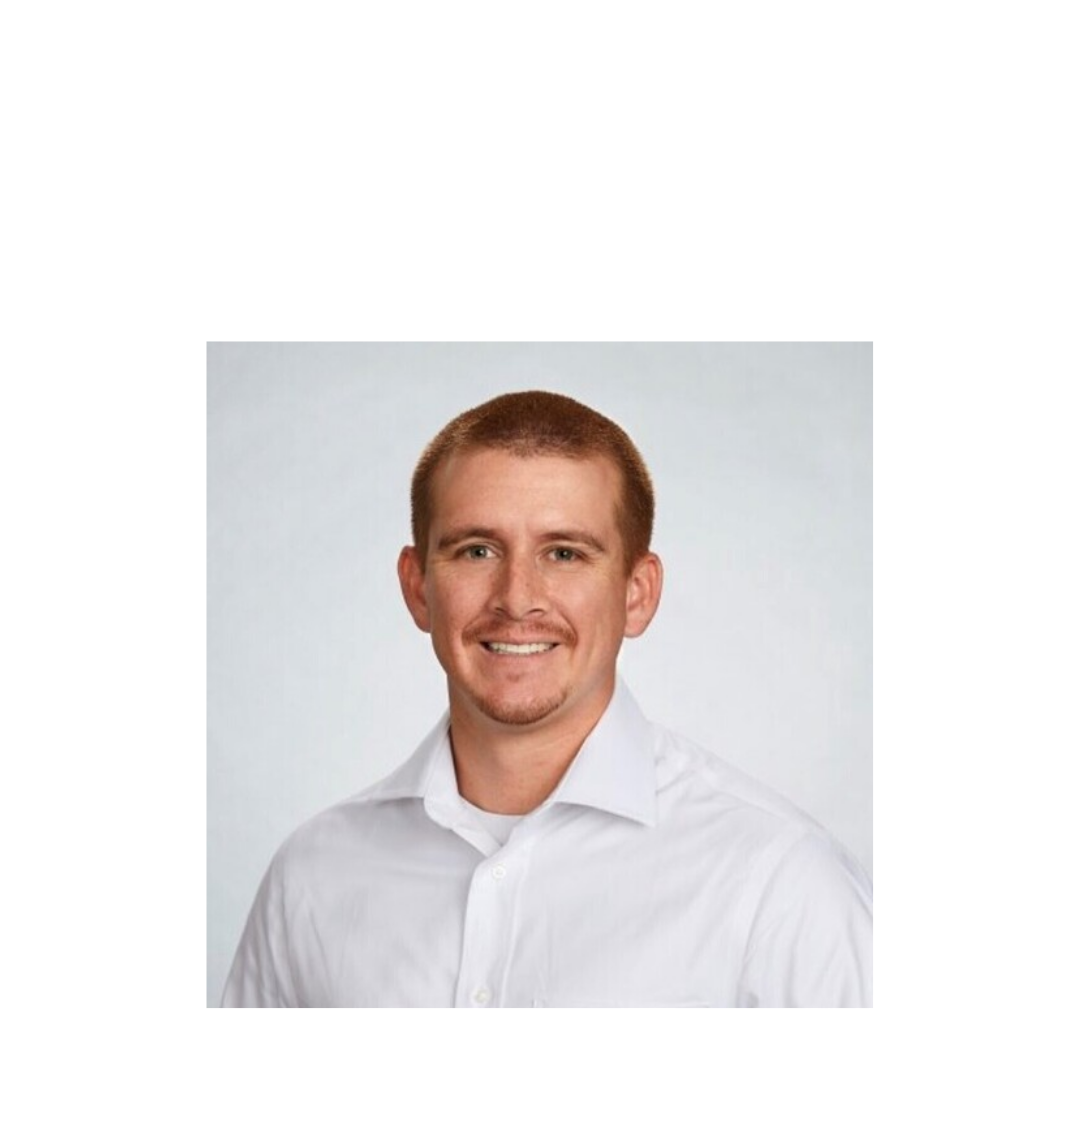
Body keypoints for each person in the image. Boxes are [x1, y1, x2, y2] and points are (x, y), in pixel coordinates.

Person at [221, 391, 871, 1018]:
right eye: (477, 550)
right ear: (418, 588)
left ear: (637, 595)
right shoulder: (311, 879)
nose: (517, 597)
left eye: (564, 553)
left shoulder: (780, 888)